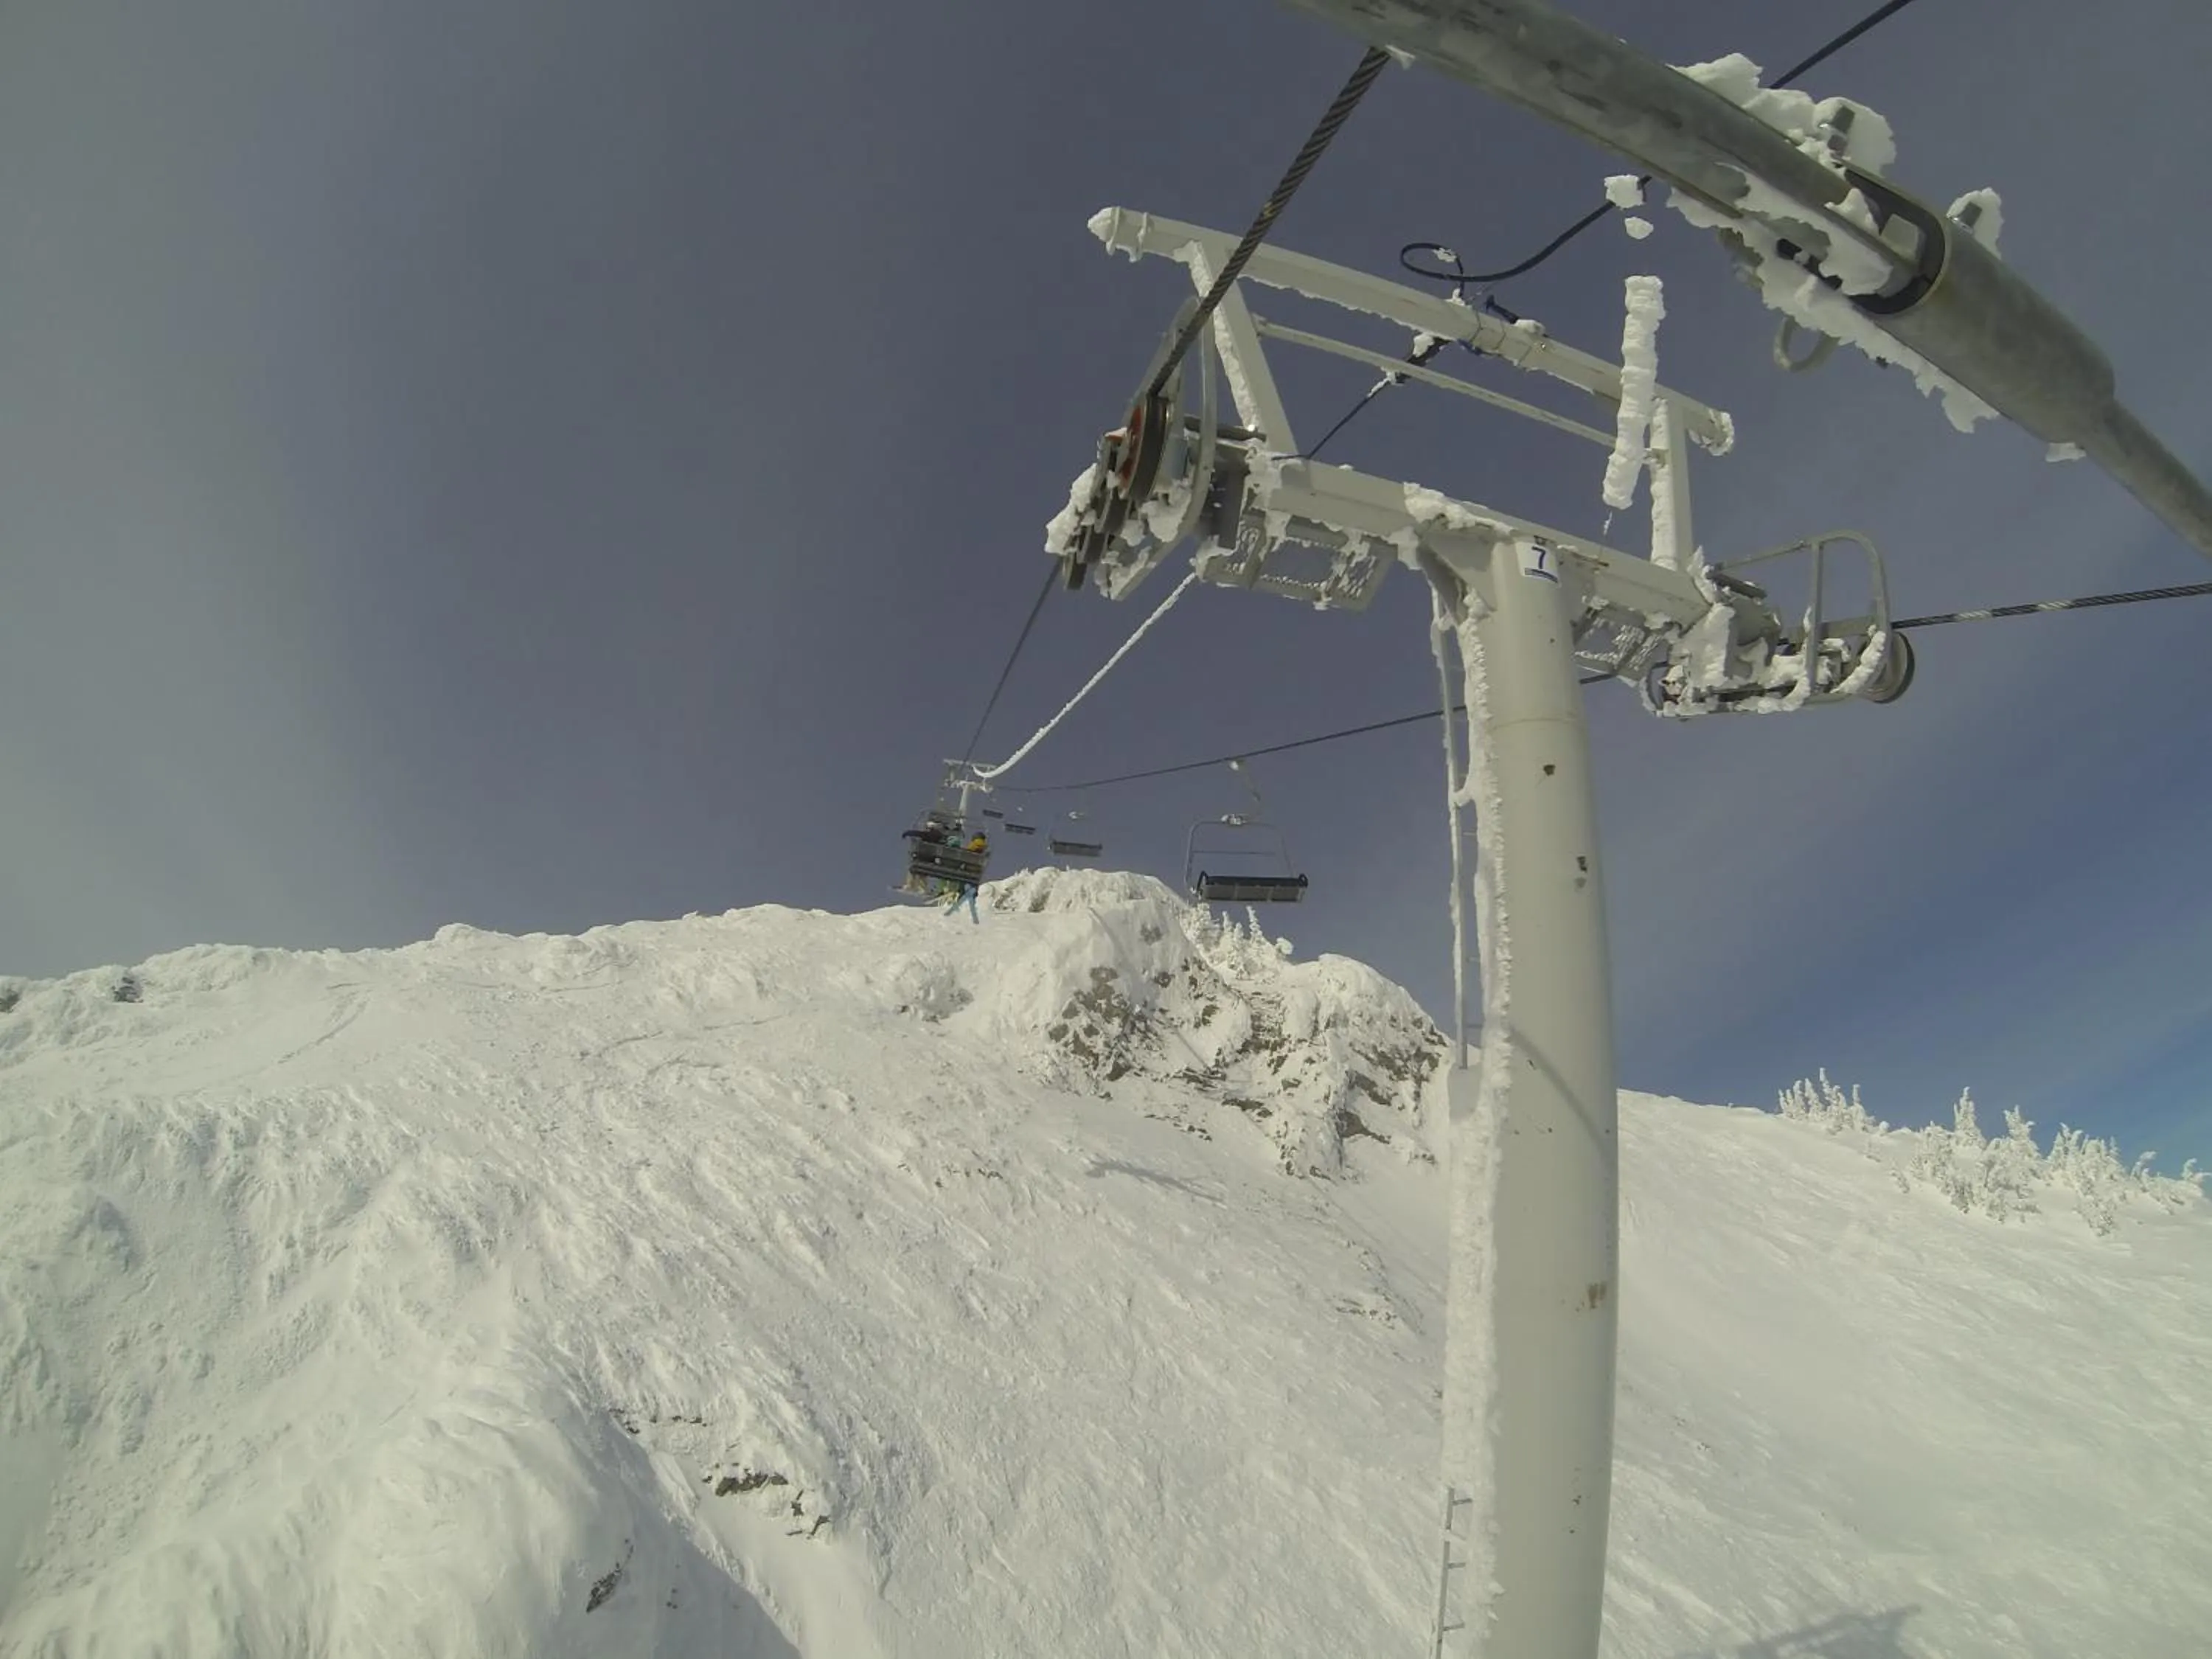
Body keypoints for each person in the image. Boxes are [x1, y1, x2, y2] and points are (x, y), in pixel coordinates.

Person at [942, 831, 987, 923]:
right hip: (977, 871)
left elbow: (966, 854)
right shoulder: (984, 847)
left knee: (962, 886)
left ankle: (960, 900)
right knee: (973, 888)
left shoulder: (972, 845)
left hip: (968, 870)